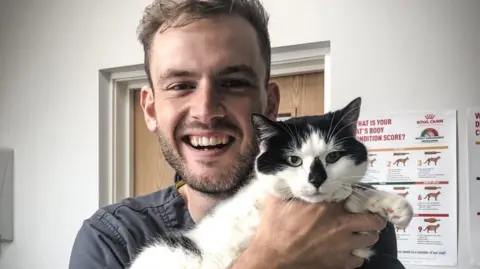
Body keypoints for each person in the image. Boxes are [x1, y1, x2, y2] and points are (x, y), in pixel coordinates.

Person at [69, 0, 405, 268]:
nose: (205, 110)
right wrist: (266, 263)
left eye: (233, 83)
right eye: (181, 85)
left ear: (270, 105)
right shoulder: (111, 239)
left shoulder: (358, 214)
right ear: (151, 109)